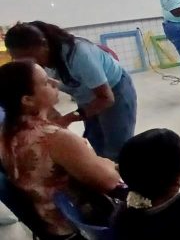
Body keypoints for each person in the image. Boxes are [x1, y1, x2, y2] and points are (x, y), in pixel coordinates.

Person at [0, 61, 123, 237]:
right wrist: (110, 164)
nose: (55, 83)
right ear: (27, 100)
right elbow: (109, 182)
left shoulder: (6, 131)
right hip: (73, 223)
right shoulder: (54, 138)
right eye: (45, 82)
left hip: (42, 216)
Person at [4, 21, 137, 160]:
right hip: (85, 94)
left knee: (116, 149)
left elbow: (106, 98)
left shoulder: (79, 53)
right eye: (19, 60)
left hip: (112, 90)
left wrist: (67, 119)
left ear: (44, 45)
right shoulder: (36, 62)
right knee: (96, 141)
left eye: (31, 58)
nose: (30, 64)